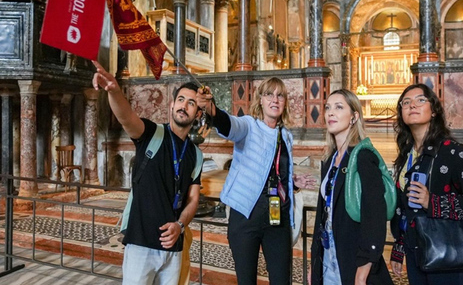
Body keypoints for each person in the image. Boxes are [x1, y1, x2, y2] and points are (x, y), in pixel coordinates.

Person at [92, 61, 202, 285]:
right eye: (180, 100)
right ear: (171, 105)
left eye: (191, 103)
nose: (184, 106)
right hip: (142, 243)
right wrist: (114, 92)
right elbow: (126, 118)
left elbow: (192, 200)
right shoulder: (152, 133)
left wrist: (179, 226)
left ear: (198, 113)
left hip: (174, 246)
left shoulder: (196, 155)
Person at [197, 77, 315, 285]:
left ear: (285, 102)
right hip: (246, 215)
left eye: (280, 95)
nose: (275, 99)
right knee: (246, 280)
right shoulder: (248, 126)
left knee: (281, 279)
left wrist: (292, 183)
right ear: (260, 100)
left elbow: (274, 171)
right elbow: (230, 126)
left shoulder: (286, 135)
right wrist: (212, 111)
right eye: (269, 94)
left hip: (277, 216)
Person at [389, 84, 463, 285]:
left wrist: (433, 202)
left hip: (450, 253)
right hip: (417, 251)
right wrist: (399, 247)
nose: (412, 105)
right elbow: (405, 207)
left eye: (421, 100)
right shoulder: (407, 155)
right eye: (406, 102)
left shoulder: (451, 151)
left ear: (434, 111)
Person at [310, 89, 393, 285]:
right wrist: (315, 265)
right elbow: (323, 215)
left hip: (353, 258)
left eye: (339, 107)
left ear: (354, 117)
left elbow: (375, 216)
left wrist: (363, 271)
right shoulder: (331, 159)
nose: (331, 113)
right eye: (328, 107)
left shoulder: (363, 156)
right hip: (329, 255)